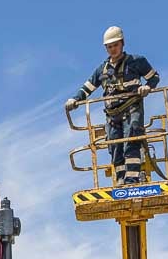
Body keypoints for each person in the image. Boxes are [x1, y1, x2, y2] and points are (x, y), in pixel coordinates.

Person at [65, 26, 159, 186]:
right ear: (105, 48)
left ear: (122, 43)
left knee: (132, 139)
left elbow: (154, 77)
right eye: (109, 46)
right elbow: (87, 88)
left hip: (132, 108)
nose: (112, 49)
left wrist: (147, 87)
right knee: (114, 145)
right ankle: (121, 180)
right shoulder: (102, 70)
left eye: (115, 45)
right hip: (112, 114)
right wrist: (75, 99)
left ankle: (132, 180)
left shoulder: (136, 62)